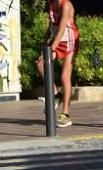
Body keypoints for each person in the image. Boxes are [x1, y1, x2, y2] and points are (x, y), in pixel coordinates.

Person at [36, 0, 76, 128]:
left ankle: (66, 114)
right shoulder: (51, 3)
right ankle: (55, 94)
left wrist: (51, 48)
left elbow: (62, 29)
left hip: (69, 41)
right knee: (41, 64)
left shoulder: (66, 5)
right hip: (57, 41)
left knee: (65, 77)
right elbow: (51, 26)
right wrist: (44, 40)